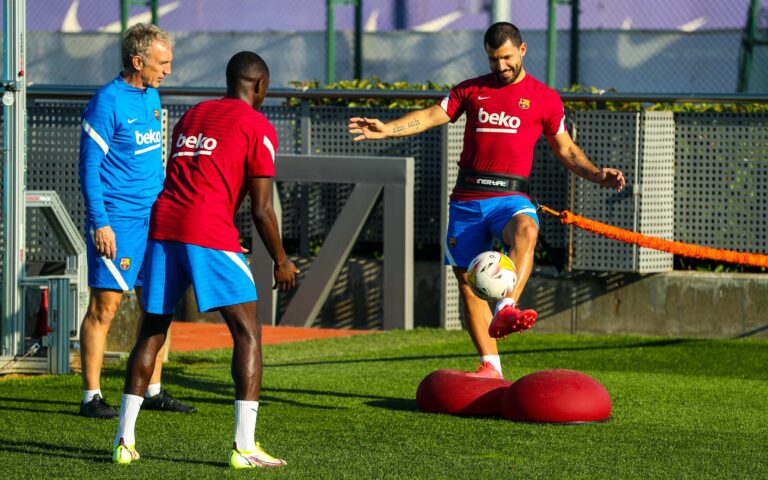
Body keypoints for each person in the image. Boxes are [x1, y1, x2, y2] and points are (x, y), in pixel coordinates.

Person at [348, 22, 625, 379]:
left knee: (527, 228)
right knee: (468, 285)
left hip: (510, 197)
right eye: (494, 60)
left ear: (522, 51)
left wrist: (597, 174)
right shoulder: (471, 89)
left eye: (507, 58)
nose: (500, 66)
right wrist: (388, 128)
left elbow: (567, 149)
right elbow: (431, 116)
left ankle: (507, 307)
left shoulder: (544, 97)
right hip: (467, 199)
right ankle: (490, 367)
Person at [111, 51, 299, 469]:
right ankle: (245, 448)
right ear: (260, 85)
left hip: (163, 226)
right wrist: (281, 260)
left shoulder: (193, 116)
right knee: (248, 333)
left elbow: (199, 176)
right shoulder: (259, 126)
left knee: (152, 329)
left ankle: (124, 442)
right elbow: (263, 210)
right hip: (207, 230)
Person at [78, 23, 194, 418]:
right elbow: (89, 168)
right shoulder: (107, 102)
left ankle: (153, 389)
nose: (168, 71)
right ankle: (91, 396)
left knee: (157, 303)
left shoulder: (152, 97)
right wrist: (101, 223)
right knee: (105, 308)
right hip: (118, 221)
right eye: (163, 63)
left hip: (155, 218)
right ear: (137, 60)